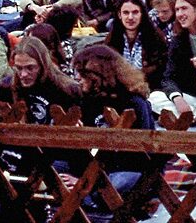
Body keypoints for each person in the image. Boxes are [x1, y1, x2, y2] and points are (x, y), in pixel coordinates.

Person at [58, 45, 156, 217]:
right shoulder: (87, 100)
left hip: (127, 167)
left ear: (99, 75)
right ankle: (86, 197)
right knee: (55, 167)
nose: (78, 78)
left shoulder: (134, 103)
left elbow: (138, 157)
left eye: (82, 74)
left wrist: (86, 180)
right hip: (95, 164)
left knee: (118, 182)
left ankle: (90, 199)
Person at [0, 36, 80, 125]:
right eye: (19, 68)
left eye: (30, 68)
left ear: (42, 65)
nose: (24, 74)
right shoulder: (9, 84)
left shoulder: (66, 88)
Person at [104, 0, 169, 91]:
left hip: (149, 89)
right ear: (119, 15)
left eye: (135, 12)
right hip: (119, 89)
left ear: (142, 14)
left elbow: (159, 69)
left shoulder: (156, 37)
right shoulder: (112, 38)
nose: (130, 17)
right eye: (126, 13)